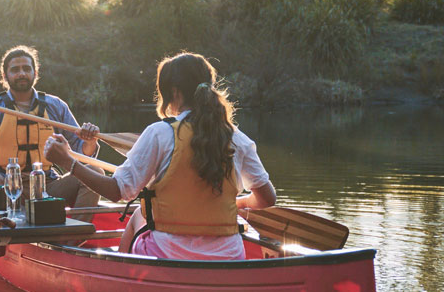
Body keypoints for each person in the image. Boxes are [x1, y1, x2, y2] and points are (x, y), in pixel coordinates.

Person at [44, 52, 276, 260]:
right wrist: (238, 203)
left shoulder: (160, 133)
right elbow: (267, 198)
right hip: (229, 256)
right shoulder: (238, 138)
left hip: (169, 255)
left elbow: (116, 191)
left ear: (174, 92)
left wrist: (68, 162)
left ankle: (123, 276)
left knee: (139, 214)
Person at [0, 45, 102, 208]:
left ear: (35, 73)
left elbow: (82, 154)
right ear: (5, 75)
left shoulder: (56, 106)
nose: (21, 73)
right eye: (15, 70)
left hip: (47, 185)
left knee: (95, 171)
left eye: (26, 69)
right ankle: (6, 222)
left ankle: (75, 227)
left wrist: (90, 141)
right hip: (6, 184)